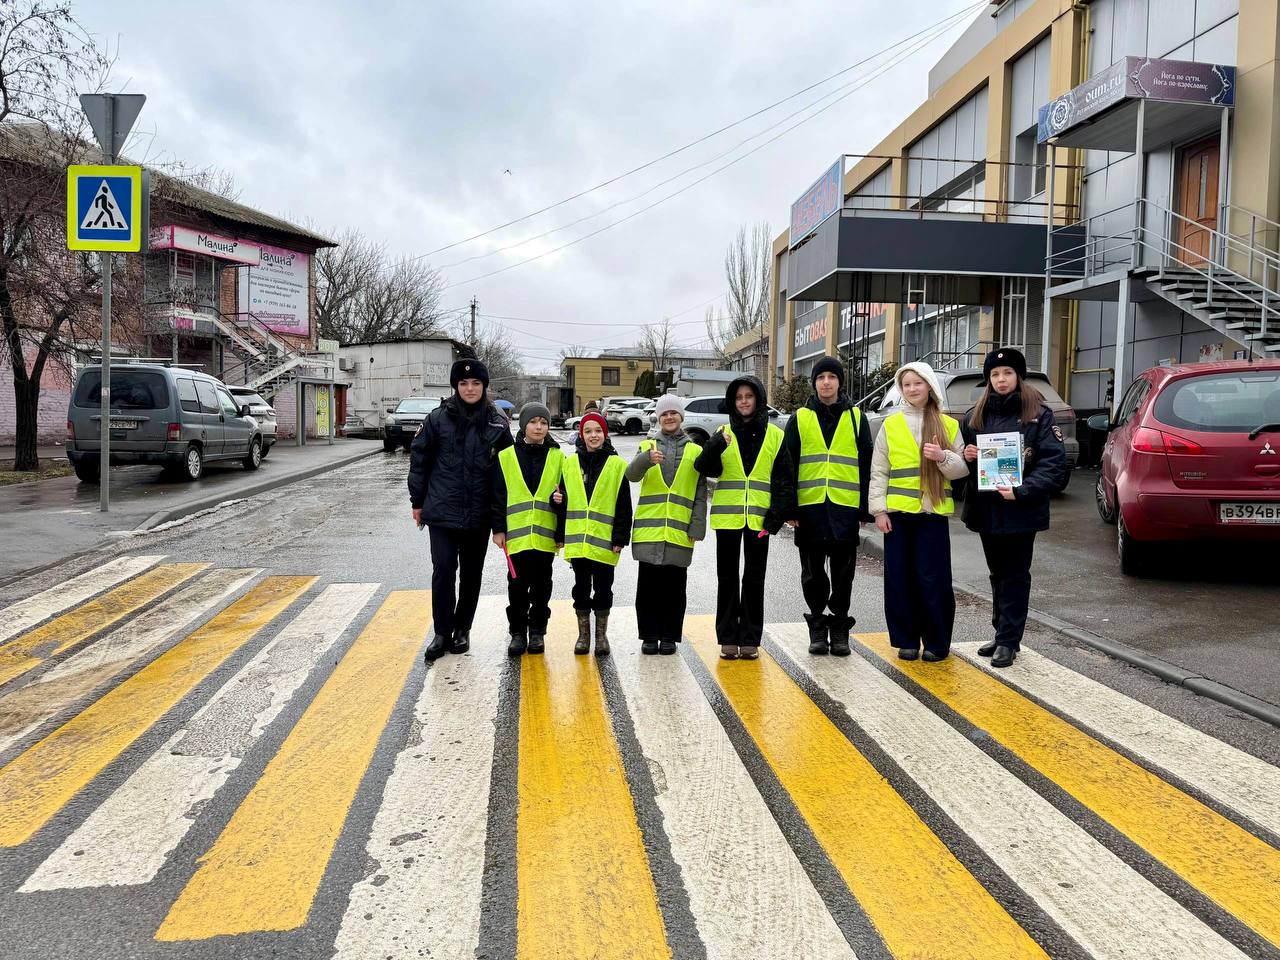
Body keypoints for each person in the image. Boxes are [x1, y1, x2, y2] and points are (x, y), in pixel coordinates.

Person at [960, 348, 1068, 668]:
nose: (1001, 379)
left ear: (1018, 376)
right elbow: (965, 464)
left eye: (1007, 373)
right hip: (986, 508)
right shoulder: (974, 416)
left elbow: (1053, 464)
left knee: (1015, 574)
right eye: (995, 374)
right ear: (988, 379)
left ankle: (1009, 640)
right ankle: (1000, 632)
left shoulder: (1039, 414)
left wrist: (1022, 491)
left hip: (1020, 509)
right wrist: (967, 456)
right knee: (997, 573)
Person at [409, 352, 512, 661]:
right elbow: (420, 460)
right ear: (456, 386)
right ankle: (442, 632)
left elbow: (507, 475)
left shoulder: (497, 423)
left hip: (478, 516)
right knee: (442, 570)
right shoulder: (437, 419)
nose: (469, 388)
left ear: (484, 386)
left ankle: (462, 629)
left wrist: (500, 522)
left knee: (470, 574)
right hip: (441, 511)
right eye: (464, 383)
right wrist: (417, 501)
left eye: (475, 382)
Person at [869, 361, 969, 661]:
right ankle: (907, 640)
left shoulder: (949, 425)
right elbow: (879, 471)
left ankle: (937, 642)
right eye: (907, 384)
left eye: (918, 383)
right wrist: (878, 511)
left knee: (933, 580)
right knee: (900, 579)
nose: (912, 389)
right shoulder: (892, 424)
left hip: (932, 515)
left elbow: (961, 470)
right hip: (898, 515)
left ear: (929, 386)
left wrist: (942, 457)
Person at [694, 375, 794, 660]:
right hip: (727, 519)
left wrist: (776, 518)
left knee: (754, 579)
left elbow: (784, 480)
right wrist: (715, 445)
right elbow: (704, 467)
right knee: (727, 578)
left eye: (749, 396)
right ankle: (727, 638)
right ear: (732, 402)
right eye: (738, 398)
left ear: (759, 399)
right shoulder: (723, 433)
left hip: (760, 521)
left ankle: (750, 638)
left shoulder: (775, 435)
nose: (744, 402)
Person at [782, 356, 873, 657]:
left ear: (839, 382)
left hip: (845, 510)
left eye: (831, 377)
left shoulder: (857, 418)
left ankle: (840, 628)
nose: (826, 382)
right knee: (812, 574)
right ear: (815, 383)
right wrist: (790, 509)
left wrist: (864, 509)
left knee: (843, 574)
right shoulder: (800, 418)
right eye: (821, 377)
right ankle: (817, 627)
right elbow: (787, 466)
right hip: (809, 510)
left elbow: (866, 464)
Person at [625, 394, 708, 655]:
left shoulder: (695, 451)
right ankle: (649, 635)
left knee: (674, 588)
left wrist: (697, 527)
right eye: (664, 414)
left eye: (673, 413)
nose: (669, 417)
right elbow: (632, 475)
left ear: (680, 417)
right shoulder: (647, 446)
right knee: (648, 587)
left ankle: (670, 636)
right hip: (650, 531)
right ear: (658, 418)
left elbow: (699, 492)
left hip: (679, 532)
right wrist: (645, 460)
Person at [556, 411, 632, 656]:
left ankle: (601, 636)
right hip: (578, 542)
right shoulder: (569, 464)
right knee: (580, 588)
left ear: (605, 434)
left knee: (603, 588)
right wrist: (555, 501)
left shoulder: (617, 465)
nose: (593, 435)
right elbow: (563, 501)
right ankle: (583, 635)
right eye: (588, 431)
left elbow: (623, 505)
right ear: (581, 435)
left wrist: (620, 537)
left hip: (605, 541)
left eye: (598, 431)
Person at [492, 402, 563, 657]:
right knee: (517, 586)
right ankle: (518, 633)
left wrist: (560, 503)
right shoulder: (507, 456)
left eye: (543, 423)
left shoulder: (558, 456)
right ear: (523, 425)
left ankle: (537, 632)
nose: (539, 427)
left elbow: (564, 494)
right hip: (516, 537)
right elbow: (499, 496)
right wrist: (498, 529)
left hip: (545, 536)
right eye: (534, 422)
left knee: (543, 586)